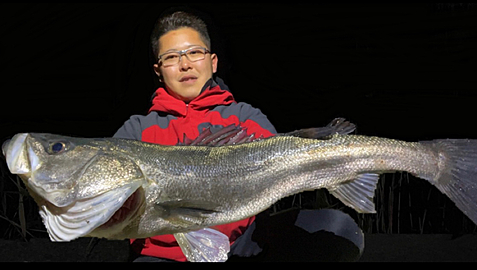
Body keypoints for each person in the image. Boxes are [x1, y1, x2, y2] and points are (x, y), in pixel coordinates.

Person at [113, 9, 364, 262]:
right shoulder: (137, 130)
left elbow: (279, 166)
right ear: (159, 70)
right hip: (162, 256)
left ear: (213, 62)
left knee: (336, 227)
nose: (185, 63)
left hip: (240, 246)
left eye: (194, 52)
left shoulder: (244, 116)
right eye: (171, 57)